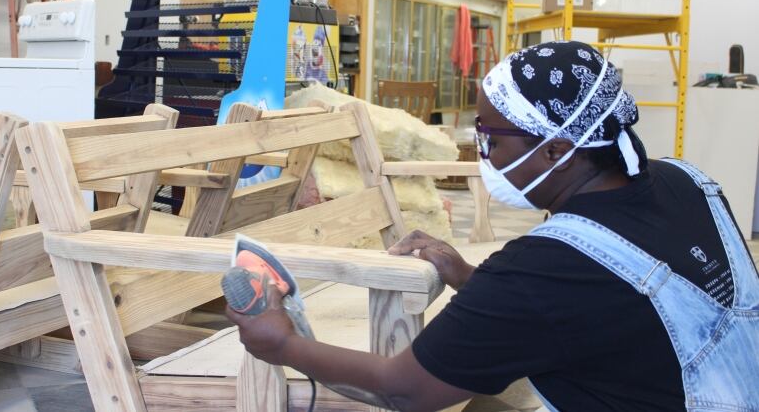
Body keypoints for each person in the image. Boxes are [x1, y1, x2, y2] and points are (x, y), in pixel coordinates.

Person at [226, 41, 759, 412]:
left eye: (492, 140)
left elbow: (405, 390)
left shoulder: (542, 266)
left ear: (556, 149)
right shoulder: (686, 181)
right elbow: (596, 308)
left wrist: (281, 342)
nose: (482, 154)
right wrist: (465, 275)